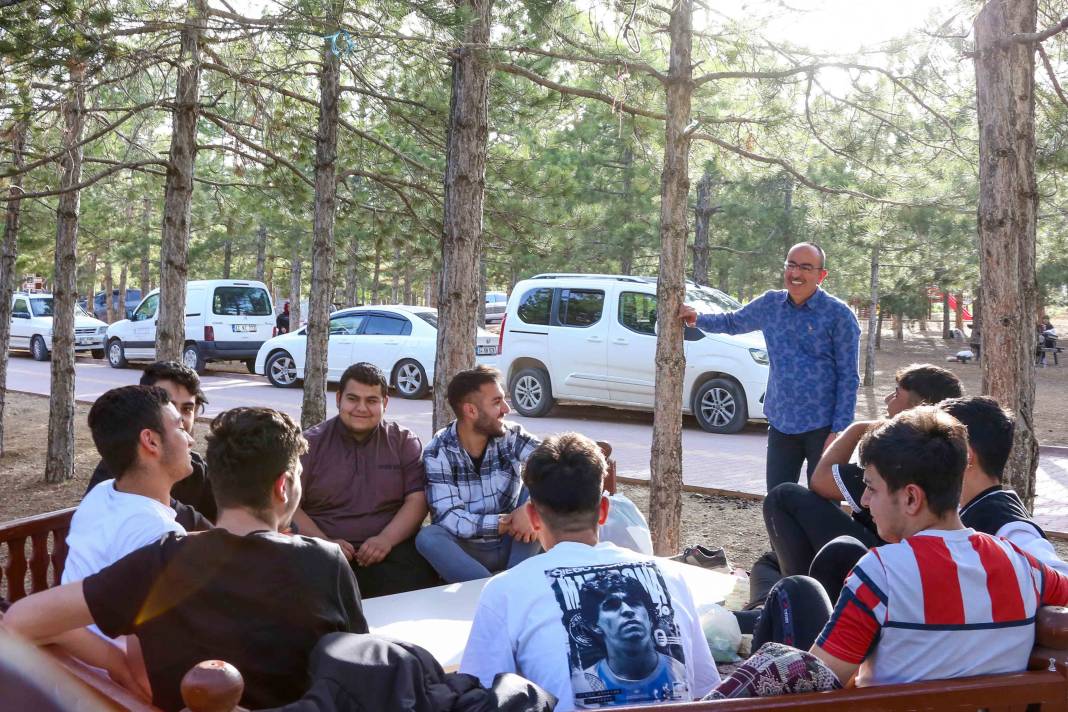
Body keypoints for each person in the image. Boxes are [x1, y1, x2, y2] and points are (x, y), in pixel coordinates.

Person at [4, 407, 368, 712]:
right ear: (283, 486)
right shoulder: (326, 563)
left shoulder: (159, 563)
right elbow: (361, 672)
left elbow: (21, 619)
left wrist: (117, 664)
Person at [806, 407, 1068, 687]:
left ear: (911, 498)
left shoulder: (879, 573)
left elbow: (814, 684)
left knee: (797, 591)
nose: (866, 501)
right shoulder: (1026, 568)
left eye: (872, 488)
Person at [461, 433, 719, 710]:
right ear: (604, 510)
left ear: (533, 517)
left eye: (633, 601)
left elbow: (480, 697)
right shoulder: (671, 575)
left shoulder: (505, 591)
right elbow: (707, 692)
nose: (627, 612)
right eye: (612, 605)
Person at [752, 364, 964, 600]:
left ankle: (798, 602)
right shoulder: (948, 452)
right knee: (769, 563)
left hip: (882, 562)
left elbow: (820, 481)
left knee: (784, 497)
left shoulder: (904, 457)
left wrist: (857, 429)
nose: (887, 400)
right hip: (893, 558)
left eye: (896, 394)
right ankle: (774, 604)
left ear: (918, 407)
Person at [678, 242, 860, 491]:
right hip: (781, 423)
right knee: (777, 499)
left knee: (823, 502)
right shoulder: (770, 305)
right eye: (791, 265)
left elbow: (848, 377)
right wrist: (697, 318)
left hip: (823, 427)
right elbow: (733, 322)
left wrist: (839, 430)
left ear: (821, 275)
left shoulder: (839, 315)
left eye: (806, 267)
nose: (796, 274)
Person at [292, 362, 439, 597]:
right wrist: (325, 543)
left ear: (385, 403)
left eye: (371, 400)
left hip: (392, 551)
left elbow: (417, 500)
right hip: (323, 553)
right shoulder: (310, 444)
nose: (361, 408)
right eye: (353, 399)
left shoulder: (402, 441)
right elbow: (291, 507)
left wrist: (385, 540)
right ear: (339, 399)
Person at [416, 365, 542, 583]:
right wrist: (508, 521)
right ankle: (493, 589)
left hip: (518, 542)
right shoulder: (438, 452)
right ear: (471, 411)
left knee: (542, 487)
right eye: (496, 402)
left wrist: (531, 508)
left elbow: (556, 463)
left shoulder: (510, 435)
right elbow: (449, 518)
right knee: (428, 537)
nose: (506, 409)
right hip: (469, 550)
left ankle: (513, 582)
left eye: (503, 400)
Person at [64, 385, 194, 590]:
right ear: (151, 441)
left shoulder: (102, 493)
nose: (190, 440)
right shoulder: (160, 535)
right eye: (180, 428)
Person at [85, 360, 216, 524]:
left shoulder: (196, 470)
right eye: (168, 405)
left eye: (187, 409)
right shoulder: (118, 475)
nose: (179, 417)